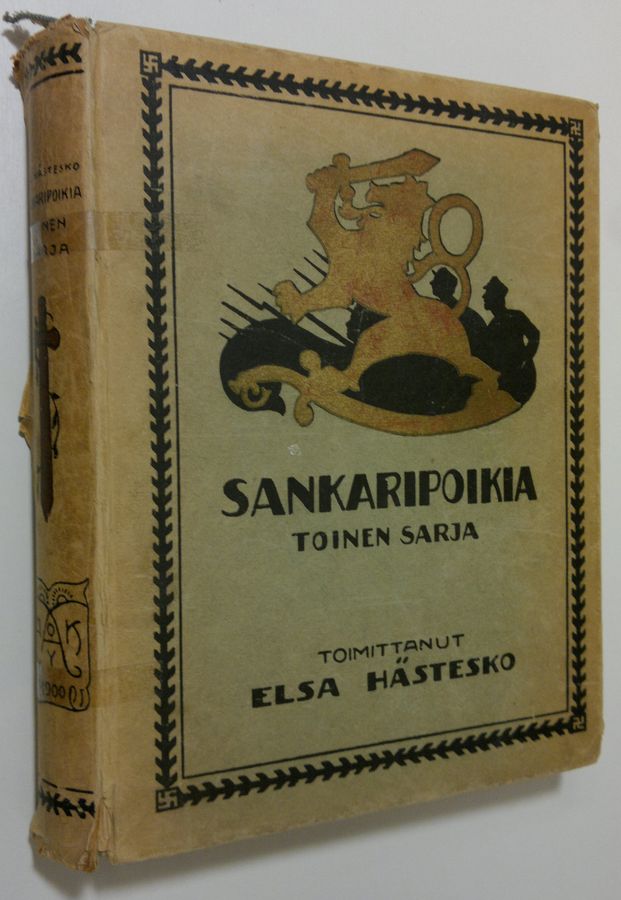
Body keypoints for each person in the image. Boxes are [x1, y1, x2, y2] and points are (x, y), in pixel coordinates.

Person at [481, 276, 539, 403]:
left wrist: (524, 359)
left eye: (487, 293)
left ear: (496, 297)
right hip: (504, 378)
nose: (483, 297)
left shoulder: (515, 317)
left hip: (520, 379)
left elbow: (534, 335)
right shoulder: (492, 325)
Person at [430, 267, 487, 361]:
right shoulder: (454, 308)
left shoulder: (457, 312)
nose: (431, 283)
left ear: (444, 286)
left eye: (436, 281)